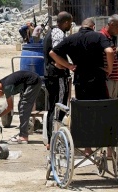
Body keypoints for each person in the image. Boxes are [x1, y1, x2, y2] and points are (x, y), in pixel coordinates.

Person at [49, 18, 114, 155]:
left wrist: (69, 66)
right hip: (98, 79)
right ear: (93, 26)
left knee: (84, 113)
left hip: (80, 81)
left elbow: (52, 53)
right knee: (103, 112)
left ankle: (87, 148)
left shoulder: (71, 38)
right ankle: (108, 148)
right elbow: (109, 51)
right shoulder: (98, 36)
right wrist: (109, 68)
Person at [43, 11, 73, 150]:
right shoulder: (58, 33)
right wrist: (68, 66)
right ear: (65, 22)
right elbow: (55, 52)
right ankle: (56, 138)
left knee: (52, 107)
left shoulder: (51, 32)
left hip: (51, 75)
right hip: (57, 75)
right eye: (70, 23)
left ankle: (51, 139)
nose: (70, 26)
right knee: (59, 107)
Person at [0, 71, 42, 144]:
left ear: (0, 91)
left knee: (24, 107)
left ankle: (23, 136)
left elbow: (10, 107)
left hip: (33, 82)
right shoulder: (1, 84)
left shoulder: (7, 88)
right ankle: (22, 133)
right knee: (21, 106)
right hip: (30, 81)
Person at [99, 14, 118, 158]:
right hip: (110, 79)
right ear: (111, 24)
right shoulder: (102, 37)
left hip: (114, 79)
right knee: (110, 112)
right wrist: (110, 71)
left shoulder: (110, 38)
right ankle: (108, 149)